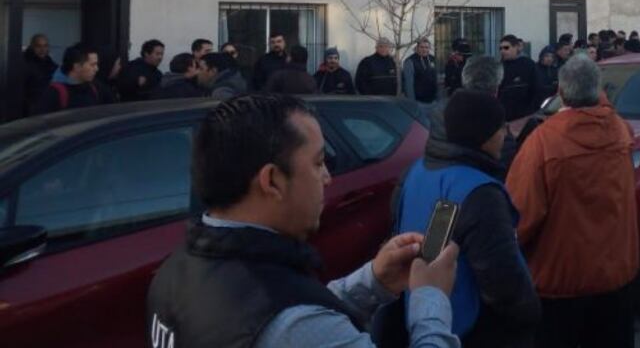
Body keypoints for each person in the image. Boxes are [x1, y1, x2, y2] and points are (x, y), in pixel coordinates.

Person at [146, 94, 460, 348]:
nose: (327, 178)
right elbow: (294, 324)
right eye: (319, 163)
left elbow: (281, 312)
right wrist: (430, 299)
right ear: (271, 181)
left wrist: (373, 282)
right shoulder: (292, 324)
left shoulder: (177, 268)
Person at [507, 56, 639, 348]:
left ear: (561, 92)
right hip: (615, 275)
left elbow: (520, 217)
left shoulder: (542, 142)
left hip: (561, 283)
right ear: (598, 88)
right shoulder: (621, 130)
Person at [393, 90, 540, 347]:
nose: (505, 135)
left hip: (422, 312)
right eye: (500, 128)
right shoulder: (479, 193)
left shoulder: (417, 171)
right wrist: (530, 317)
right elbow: (504, 285)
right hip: (467, 327)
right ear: (482, 137)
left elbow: (432, 241)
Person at [34, 43, 102, 114]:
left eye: (96, 64)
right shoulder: (54, 93)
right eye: (92, 65)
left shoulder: (95, 88)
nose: (96, 69)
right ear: (77, 67)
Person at [497, 35, 537, 121]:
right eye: (500, 48)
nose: (502, 51)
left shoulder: (528, 64)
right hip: (504, 115)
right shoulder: (499, 66)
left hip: (524, 114)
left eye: (506, 48)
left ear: (516, 47)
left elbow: (536, 88)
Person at [22, 34, 58, 114]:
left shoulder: (51, 64)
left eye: (45, 46)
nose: (42, 49)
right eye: (38, 46)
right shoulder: (24, 64)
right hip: (30, 110)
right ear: (32, 47)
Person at [403, 38, 438, 104]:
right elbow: (408, 85)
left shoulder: (433, 59)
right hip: (418, 101)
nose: (424, 49)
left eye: (426, 47)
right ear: (417, 48)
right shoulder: (410, 61)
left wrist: (437, 98)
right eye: (422, 47)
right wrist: (412, 102)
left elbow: (436, 79)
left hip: (432, 101)